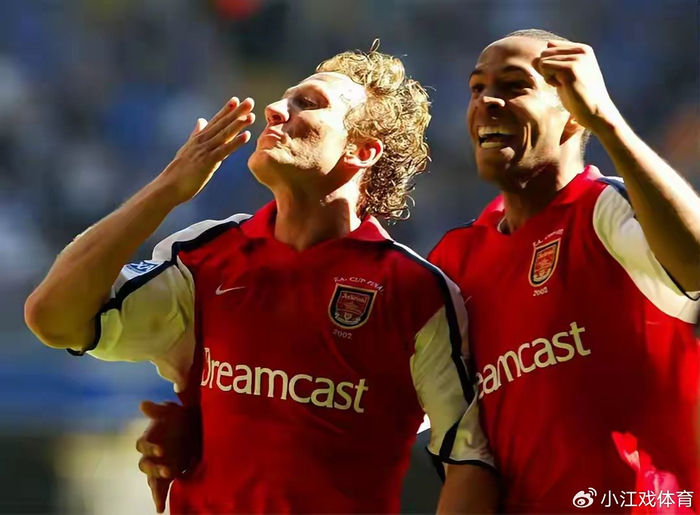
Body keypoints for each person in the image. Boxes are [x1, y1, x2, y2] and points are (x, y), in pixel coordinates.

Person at [24, 45, 498, 514]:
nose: (275, 109)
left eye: (307, 103)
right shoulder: (207, 256)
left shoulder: (415, 291)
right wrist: (168, 188)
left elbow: (469, 458)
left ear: (362, 149)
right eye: (283, 98)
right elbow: (54, 318)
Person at [429, 29, 700, 513]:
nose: (487, 101)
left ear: (573, 115)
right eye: (477, 88)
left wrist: (606, 118)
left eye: (515, 85)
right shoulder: (455, 260)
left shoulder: (606, 210)